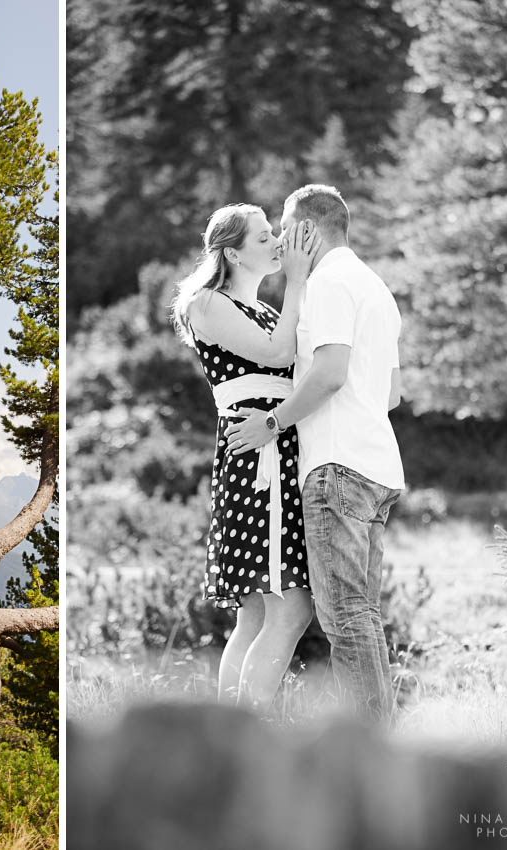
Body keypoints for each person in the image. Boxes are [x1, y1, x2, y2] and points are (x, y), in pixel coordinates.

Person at [225, 184, 404, 723]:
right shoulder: (376, 287)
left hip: (336, 467)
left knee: (345, 616)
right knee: (362, 613)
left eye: (284, 226)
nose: (281, 238)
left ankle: (371, 744)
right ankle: (379, 735)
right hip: (378, 466)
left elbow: (329, 373)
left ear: (307, 228)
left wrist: (272, 423)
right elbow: (392, 393)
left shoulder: (327, 283)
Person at [171, 203, 322, 708]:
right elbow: (280, 356)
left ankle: (228, 732)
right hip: (260, 460)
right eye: (263, 238)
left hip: (271, 448)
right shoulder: (209, 304)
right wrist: (297, 281)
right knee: (292, 609)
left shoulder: (262, 310)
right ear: (232, 252)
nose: (277, 243)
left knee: (256, 614)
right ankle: (250, 733)